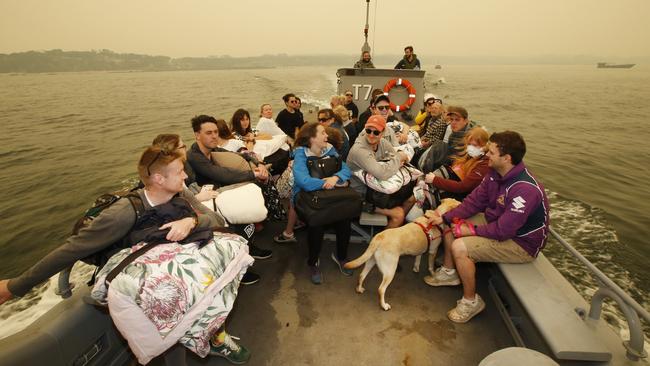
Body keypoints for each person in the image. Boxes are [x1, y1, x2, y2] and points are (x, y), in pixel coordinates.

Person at [0, 144, 252, 365]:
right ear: (158, 179)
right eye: (179, 172)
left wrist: (190, 222)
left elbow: (213, 220)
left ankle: (217, 339)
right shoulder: (124, 213)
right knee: (170, 335)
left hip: (179, 271)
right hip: (145, 286)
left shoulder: (179, 196)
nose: (185, 175)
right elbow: (72, 249)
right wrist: (14, 287)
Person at [425, 131, 550, 324]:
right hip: (498, 223)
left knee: (460, 248)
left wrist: (471, 230)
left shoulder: (524, 189)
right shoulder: (494, 173)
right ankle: (450, 273)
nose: (486, 154)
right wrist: (445, 218)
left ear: (506, 158)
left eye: (490, 152)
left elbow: (504, 231)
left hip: (520, 242)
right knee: (452, 220)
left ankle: (471, 301)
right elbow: (474, 202)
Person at [293, 122, 353, 284]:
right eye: (322, 133)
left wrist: (335, 178)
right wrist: (326, 183)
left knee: (344, 219)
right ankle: (313, 262)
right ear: (312, 138)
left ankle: (341, 257)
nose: (327, 136)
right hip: (308, 199)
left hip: (328, 196)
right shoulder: (300, 155)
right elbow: (303, 181)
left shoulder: (330, 149)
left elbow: (347, 170)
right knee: (316, 223)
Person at [347, 115, 413, 228]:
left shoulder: (382, 143)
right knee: (399, 214)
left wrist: (397, 159)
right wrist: (398, 159)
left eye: (376, 132)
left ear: (383, 133)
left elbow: (396, 156)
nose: (371, 135)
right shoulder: (359, 150)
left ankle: (396, 233)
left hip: (376, 190)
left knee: (412, 198)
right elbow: (382, 173)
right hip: (362, 196)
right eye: (368, 130)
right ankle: (382, 242)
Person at [424, 127, 490, 205]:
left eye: (475, 145)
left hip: (463, 198)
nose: (471, 148)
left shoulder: (484, 164)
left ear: (484, 146)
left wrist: (435, 180)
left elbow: (463, 187)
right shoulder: (468, 156)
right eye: (469, 144)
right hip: (453, 190)